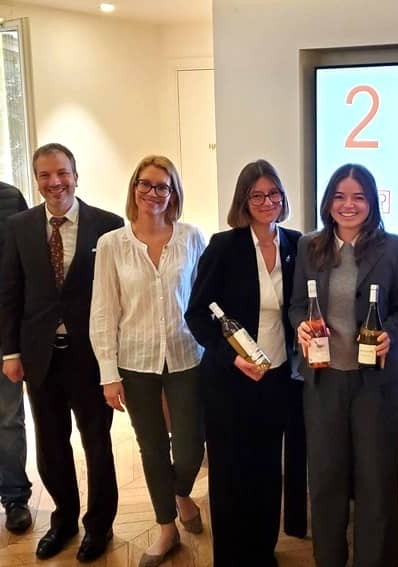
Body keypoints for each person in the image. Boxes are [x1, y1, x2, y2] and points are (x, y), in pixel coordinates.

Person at [0, 143, 123, 562]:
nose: (55, 182)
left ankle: (99, 526)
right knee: (51, 446)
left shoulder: (107, 225)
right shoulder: (19, 226)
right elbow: (10, 293)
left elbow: (117, 297)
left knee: (97, 444)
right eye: (45, 175)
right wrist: (10, 352)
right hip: (40, 358)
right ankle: (64, 520)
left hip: (90, 357)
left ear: (75, 174)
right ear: (36, 180)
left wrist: (115, 359)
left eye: (62, 173)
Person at [289, 163, 398, 567]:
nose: (349, 205)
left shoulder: (392, 248)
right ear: (328, 202)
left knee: (376, 483)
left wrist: (389, 333)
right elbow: (296, 306)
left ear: (372, 203)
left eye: (358, 197)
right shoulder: (309, 246)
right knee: (325, 479)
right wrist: (301, 327)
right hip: (323, 381)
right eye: (340, 196)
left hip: (374, 385)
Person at [89, 155, 205, 567]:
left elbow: (206, 299)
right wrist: (108, 374)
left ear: (173, 193)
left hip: (187, 355)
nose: (153, 193)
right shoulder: (112, 244)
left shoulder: (191, 237)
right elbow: (103, 311)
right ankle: (166, 527)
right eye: (146, 183)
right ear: (134, 187)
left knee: (190, 447)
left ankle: (180, 491)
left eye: (162, 186)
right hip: (135, 361)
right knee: (152, 446)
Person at [186, 159, 301, 567]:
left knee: (268, 471)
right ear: (244, 201)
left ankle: (262, 551)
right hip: (229, 381)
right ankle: (233, 557)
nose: (267, 202)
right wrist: (231, 358)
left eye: (274, 193)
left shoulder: (296, 245)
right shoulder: (224, 247)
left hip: (276, 379)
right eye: (257, 195)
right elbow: (197, 315)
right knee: (231, 474)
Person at [0, 181, 31, 534]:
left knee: (8, 419)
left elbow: (23, 267)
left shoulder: (10, 198)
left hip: (4, 332)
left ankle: (15, 498)